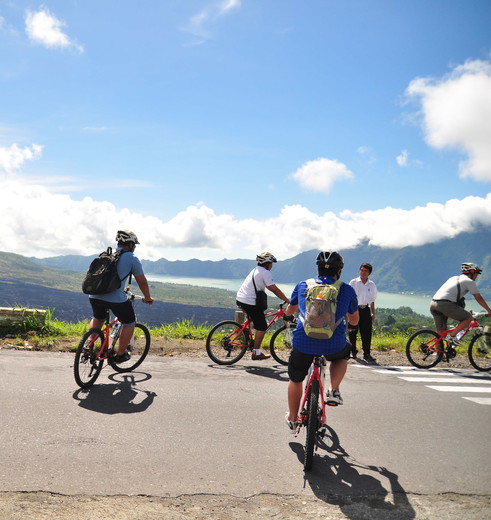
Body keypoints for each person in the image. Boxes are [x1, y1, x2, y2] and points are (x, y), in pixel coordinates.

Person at [284, 251, 359, 433]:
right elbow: (355, 320)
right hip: (334, 343)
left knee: (295, 378)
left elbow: (290, 310)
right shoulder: (347, 290)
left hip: (303, 342)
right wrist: (350, 325)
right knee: (343, 355)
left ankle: (293, 420)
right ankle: (333, 390)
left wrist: (287, 317)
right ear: (339, 272)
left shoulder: (303, 286)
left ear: (318, 269)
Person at [88, 230, 154, 363]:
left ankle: (89, 345)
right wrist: (147, 297)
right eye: (134, 244)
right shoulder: (131, 258)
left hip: (94, 295)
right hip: (115, 298)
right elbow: (142, 282)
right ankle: (120, 354)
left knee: (98, 317)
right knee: (129, 322)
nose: (134, 247)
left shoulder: (107, 255)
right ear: (129, 245)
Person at [236, 252, 290, 360]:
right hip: (250, 302)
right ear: (267, 263)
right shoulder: (265, 273)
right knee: (262, 326)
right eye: (271, 263)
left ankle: (248, 338)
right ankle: (256, 353)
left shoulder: (255, 270)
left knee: (255, 319)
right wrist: (287, 300)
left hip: (241, 299)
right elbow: (274, 289)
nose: (272, 266)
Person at [430, 262, 491, 345]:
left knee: (441, 332)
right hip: (445, 305)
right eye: (477, 273)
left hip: (433, 304)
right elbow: (478, 297)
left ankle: (439, 354)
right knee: (468, 318)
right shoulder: (469, 281)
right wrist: (489, 310)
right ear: (472, 272)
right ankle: (452, 336)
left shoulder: (453, 278)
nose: (477, 276)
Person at [348, 263, 378, 362]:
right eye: (361, 270)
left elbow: (373, 300)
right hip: (354, 309)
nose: (363, 272)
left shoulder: (372, 284)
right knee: (352, 331)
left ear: (369, 273)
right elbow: (348, 298)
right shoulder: (353, 282)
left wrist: (373, 312)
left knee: (366, 333)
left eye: (365, 271)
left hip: (366, 309)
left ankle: (367, 354)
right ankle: (353, 351)